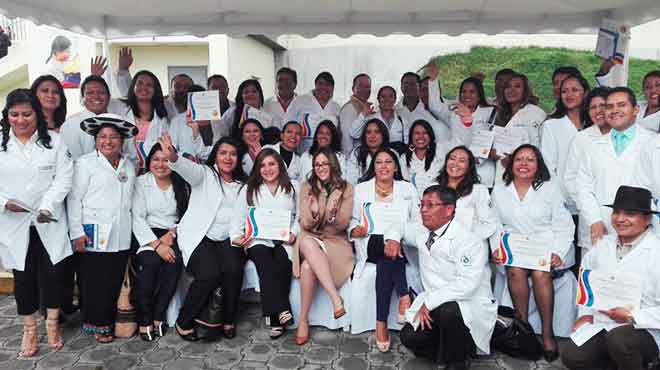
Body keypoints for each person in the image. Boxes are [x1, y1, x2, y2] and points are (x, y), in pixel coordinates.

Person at [389, 186, 497, 370]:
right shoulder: (423, 231)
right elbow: (399, 226)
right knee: (409, 337)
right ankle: (455, 348)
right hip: (435, 302)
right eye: (421, 204)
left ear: (449, 210)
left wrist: (430, 302)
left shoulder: (468, 240)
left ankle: (457, 362)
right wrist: (392, 239)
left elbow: (467, 284)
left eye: (430, 205)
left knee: (448, 311)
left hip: (466, 303)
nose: (423, 210)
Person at [0, 89, 73, 356]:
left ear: (37, 115)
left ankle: (52, 324)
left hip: (47, 218)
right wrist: (4, 201)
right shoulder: (0, 143)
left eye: (27, 114)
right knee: (24, 278)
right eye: (14, 114)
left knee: (53, 275)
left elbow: (64, 178)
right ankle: (29, 330)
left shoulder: (54, 141)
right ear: (7, 115)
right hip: (13, 221)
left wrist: (47, 205)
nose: (20, 120)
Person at [491, 144, 575, 362]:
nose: (524, 164)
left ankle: (547, 333)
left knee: (540, 273)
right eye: (519, 159)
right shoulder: (500, 189)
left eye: (530, 160)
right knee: (515, 271)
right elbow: (495, 224)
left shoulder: (550, 188)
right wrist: (496, 248)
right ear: (511, 164)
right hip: (515, 250)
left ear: (539, 165)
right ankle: (523, 330)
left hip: (545, 248)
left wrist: (558, 252)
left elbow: (565, 225)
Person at [158, 135, 248, 341]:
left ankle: (228, 319)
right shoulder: (205, 174)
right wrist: (173, 156)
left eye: (233, 154)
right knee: (210, 273)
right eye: (223, 153)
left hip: (229, 236)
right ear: (215, 156)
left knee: (234, 269)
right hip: (201, 236)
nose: (228, 158)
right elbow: (186, 168)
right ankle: (184, 320)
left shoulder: (242, 184)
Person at [562, 186, 660, 370]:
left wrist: (633, 316)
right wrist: (585, 315)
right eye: (616, 212)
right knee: (572, 355)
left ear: (647, 219)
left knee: (620, 341)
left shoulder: (656, 253)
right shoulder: (602, 246)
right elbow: (587, 285)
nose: (620, 219)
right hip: (604, 322)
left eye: (630, 214)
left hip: (644, 328)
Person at [68, 114, 139, 343]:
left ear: (122, 140)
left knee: (114, 279)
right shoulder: (85, 163)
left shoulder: (129, 164)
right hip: (93, 232)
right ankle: (98, 324)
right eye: (102, 137)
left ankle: (114, 319)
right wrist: (77, 232)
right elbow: (74, 199)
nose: (108, 141)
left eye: (113, 137)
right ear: (95, 139)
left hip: (120, 232)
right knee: (94, 280)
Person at [349, 148, 419, 352]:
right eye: (378, 162)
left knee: (387, 257)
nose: (383, 166)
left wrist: (397, 237)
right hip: (369, 241)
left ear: (396, 167)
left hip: (402, 243)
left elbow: (416, 221)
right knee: (386, 248)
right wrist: (355, 229)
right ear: (374, 167)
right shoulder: (361, 189)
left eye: (388, 162)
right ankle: (405, 296)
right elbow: (352, 220)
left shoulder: (408, 189)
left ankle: (381, 323)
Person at [231, 148, 297, 339]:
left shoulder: (293, 187)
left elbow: (300, 216)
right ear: (257, 169)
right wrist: (237, 236)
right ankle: (282, 311)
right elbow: (237, 217)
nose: (267, 169)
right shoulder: (248, 188)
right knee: (263, 260)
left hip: (284, 239)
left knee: (282, 263)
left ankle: (275, 317)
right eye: (263, 165)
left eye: (272, 164)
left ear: (280, 165)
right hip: (258, 240)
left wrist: (294, 233)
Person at [577, 87, 654, 247]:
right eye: (609, 106)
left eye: (621, 105)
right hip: (601, 229)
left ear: (636, 109)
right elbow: (583, 186)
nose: (614, 110)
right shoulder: (593, 146)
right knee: (599, 270)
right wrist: (595, 221)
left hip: (644, 232)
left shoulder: (653, 143)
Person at [293, 148, 354, 345]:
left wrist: (332, 215)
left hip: (335, 241)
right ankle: (336, 298)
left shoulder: (346, 188)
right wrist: (314, 212)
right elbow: (305, 223)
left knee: (307, 267)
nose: (320, 168)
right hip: (311, 237)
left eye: (324, 164)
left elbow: (343, 223)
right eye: (317, 165)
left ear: (332, 164)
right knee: (307, 241)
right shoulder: (306, 187)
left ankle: (303, 320)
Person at [132, 143, 190, 341]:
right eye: (156, 159)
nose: (160, 164)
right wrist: (157, 244)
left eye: (166, 159)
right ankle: (144, 318)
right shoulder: (140, 183)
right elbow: (137, 217)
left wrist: (172, 235)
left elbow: (187, 216)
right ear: (149, 162)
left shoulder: (181, 184)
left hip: (173, 232)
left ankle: (159, 314)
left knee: (174, 263)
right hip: (146, 234)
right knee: (151, 264)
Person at [427, 64, 497, 187]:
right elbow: (435, 106)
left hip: (480, 167)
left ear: (479, 94)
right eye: (464, 91)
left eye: (472, 92)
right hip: (455, 166)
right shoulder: (454, 112)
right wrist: (433, 81)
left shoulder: (490, 112)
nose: (467, 95)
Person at [564, 87, 611, 253]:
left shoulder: (623, 135)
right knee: (591, 269)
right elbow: (570, 178)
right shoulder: (581, 138)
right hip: (590, 217)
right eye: (593, 107)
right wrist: (588, 208)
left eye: (603, 105)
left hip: (620, 216)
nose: (598, 111)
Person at [434, 145, 497, 246]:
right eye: (452, 158)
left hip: (469, 247)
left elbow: (489, 224)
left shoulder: (479, 190)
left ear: (469, 167)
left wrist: (465, 236)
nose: (455, 163)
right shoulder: (433, 187)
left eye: (462, 161)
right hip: (439, 246)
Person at [492, 72, 546, 185]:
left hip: (526, 175)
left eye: (517, 86)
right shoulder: (499, 115)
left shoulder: (536, 113)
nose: (511, 90)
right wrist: (490, 153)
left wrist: (514, 160)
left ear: (525, 90)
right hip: (500, 173)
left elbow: (540, 147)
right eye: (508, 87)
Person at [111, 70, 169, 172]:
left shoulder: (162, 120)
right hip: (124, 171)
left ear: (156, 90)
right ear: (133, 87)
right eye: (140, 83)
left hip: (153, 173)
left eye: (149, 85)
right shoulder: (121, 111)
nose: (144, 88)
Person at [61, 75, 125, 160]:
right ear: (83, 98)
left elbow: (126, 153)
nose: (96, 96)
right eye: (90, 93)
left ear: (109, 97)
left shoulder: (119, 122)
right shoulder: (71, 124)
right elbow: (72, 160)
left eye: (101, 92)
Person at [285, 71, 341, 154]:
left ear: (332, 88)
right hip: (304, 153)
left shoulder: (336, 107)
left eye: (328, 85)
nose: (324, 87)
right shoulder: (300, 101)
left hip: (329, 154)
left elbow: (338, 132)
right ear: (315, 85)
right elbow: (287, 124)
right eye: (320, 83)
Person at [350, 86, 408, 151]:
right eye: (383, 96)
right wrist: (363, 114)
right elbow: (354, 134)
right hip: (375, 158)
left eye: (390, 96)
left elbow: (406, 145)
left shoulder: (402, 121)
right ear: (378, 99)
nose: (387, 99)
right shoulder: (370, 119)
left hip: (397, 159)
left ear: (395, 99)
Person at [400, 119, 447, 194]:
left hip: (438, 198)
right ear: (411, 137)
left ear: (430, 135)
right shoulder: (404, 158)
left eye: (425, 133)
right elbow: (406, 185)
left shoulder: (440, 152)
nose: (421, 136)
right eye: (417, 133)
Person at [345, 118, 390, 184]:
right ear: (364, 136)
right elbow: (350, 179)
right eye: (368, 132)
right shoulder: (357, 153)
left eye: (377, 132)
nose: (372, 136)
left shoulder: (392, 154)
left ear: (383, 135)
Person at [338, 73, 372, 156]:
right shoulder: (349, 108)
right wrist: (349, 160)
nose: (364, 89)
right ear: (353, 88)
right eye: (361, 86)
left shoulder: (365, 107)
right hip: (353, 160)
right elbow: (346, 140)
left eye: (367, 87)